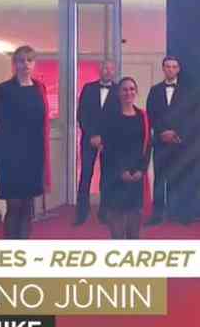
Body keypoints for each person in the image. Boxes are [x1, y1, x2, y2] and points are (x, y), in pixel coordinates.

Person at [0, 46, 50, 240]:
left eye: (29, 60)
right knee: (14, 205)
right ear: (15, 64)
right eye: (21, 60)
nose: (25, 64)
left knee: (27, 206)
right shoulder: (3, 90)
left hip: (33, 155)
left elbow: (42, 124)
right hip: (10, 156)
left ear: (34, 64)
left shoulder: (40, 89)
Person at [99, 77, 152, 240]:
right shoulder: (110, 117)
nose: (128, 92)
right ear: (118, 93)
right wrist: (121, 171)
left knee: (134, 232)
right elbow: (108, 148)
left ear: (136, 92)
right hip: (115, 177)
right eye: (125, 89)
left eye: (131, 89)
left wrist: (142, 170)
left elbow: (147, 145)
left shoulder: (143, 116)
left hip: (136, 176)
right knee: (117, 232)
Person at [146, 56, 192, 225]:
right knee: (159, 179)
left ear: (178, 69)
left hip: (179, 142)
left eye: (173, 66)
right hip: (160, 142)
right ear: (163, 68)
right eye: (167, 66)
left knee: (178, 177)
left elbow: (190, 116)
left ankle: (176, 213)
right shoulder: (154, 90)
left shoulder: (187, 91)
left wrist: (176, 133)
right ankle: (157, 215)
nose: (170, 69)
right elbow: (150, 114)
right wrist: (162, 133)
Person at [74, 60, 119, 226]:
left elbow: (118, 117)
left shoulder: (119, 90)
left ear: (114, 71)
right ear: (99, 70)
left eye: (110, 68)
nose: (107, 71)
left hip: (110, 141)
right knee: (85, 175)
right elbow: (81, 114)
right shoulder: (88, 88)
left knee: (107, 177)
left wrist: (104, 138)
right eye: (104, 68)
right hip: (88, 139)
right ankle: (81, 213)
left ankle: (104, 212)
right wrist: (92, 135)